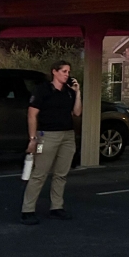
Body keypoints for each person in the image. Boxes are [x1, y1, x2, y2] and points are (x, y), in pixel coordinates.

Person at [20, 60, 82, 225]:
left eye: (68, 72)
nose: (67, 75)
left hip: (67, 135)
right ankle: (28, 210)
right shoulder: (43, 90)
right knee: (40, 173)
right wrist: (33, 139)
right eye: (64, 71)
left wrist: (78, 92)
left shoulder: (69, 92)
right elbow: (32, 114)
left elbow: (76, 112)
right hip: (47, 135)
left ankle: (56, 207)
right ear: (54, 72)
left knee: (61, 174)